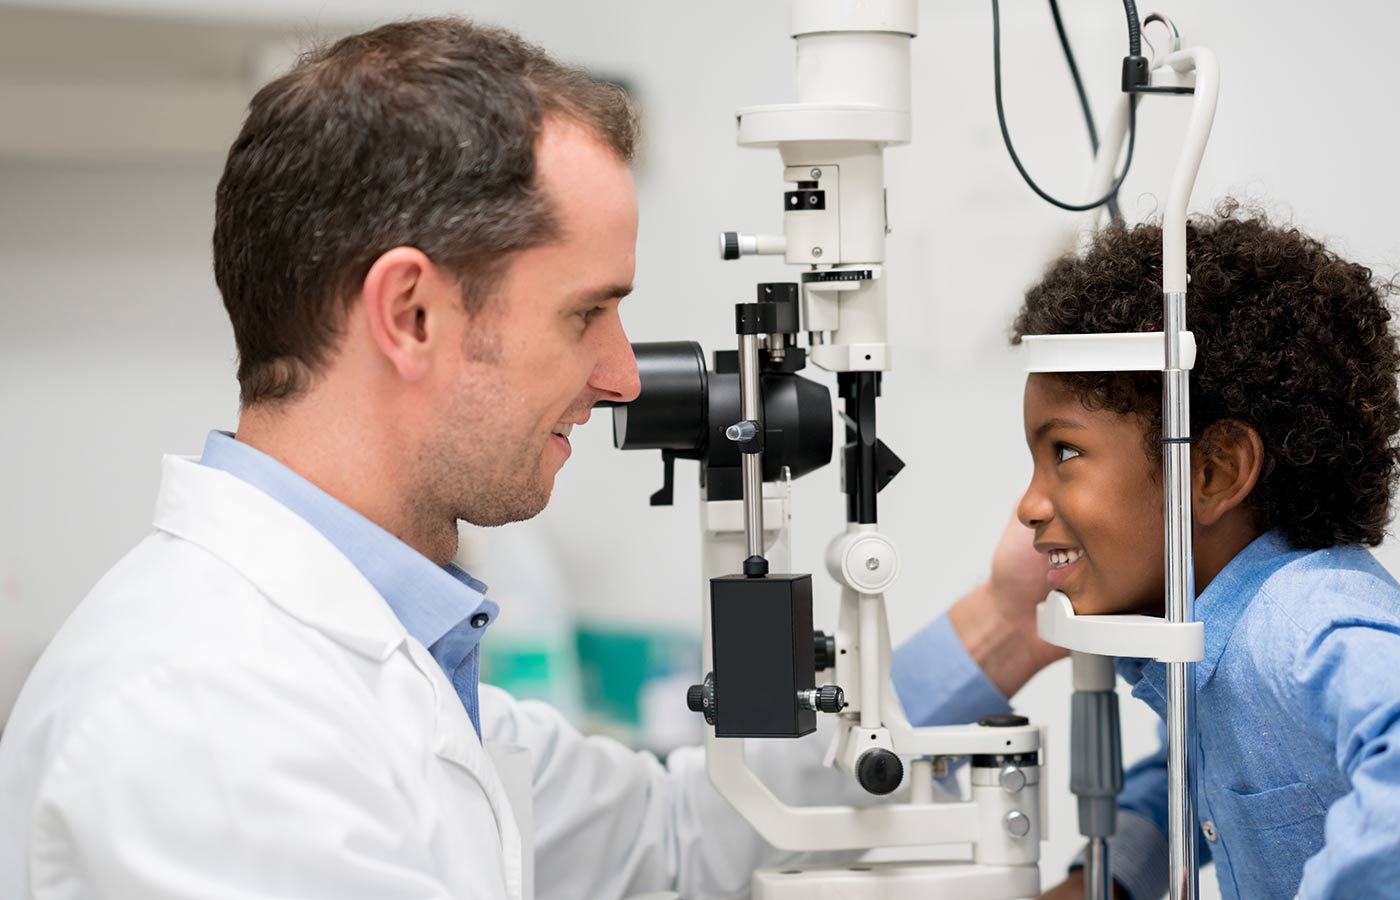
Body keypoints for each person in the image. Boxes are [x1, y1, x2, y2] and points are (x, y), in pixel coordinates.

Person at [0, 18, 1057, 900]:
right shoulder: (201, 720)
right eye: (586, 313)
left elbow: (686, 843)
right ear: (409, 312)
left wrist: (1008, 621)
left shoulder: (394, 664)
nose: (622, 377)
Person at [1019, 205, 1400, 899]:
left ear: (1213, 471)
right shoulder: (1211, 653)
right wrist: (1105, 882)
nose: (1029, 504)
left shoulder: (1299, 619)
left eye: (1065, 454)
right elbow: (1193, 773)